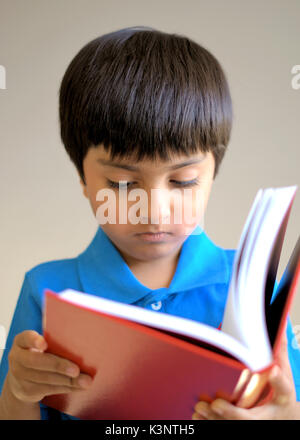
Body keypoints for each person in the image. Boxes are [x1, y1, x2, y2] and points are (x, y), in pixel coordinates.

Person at [0, 26, 299, 420]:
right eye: (123, 184)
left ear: (212, 174)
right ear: (82, 178)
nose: (154, 210)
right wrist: (18, 393)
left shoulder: (252, 289)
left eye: (183, 181)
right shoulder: (47, 290)